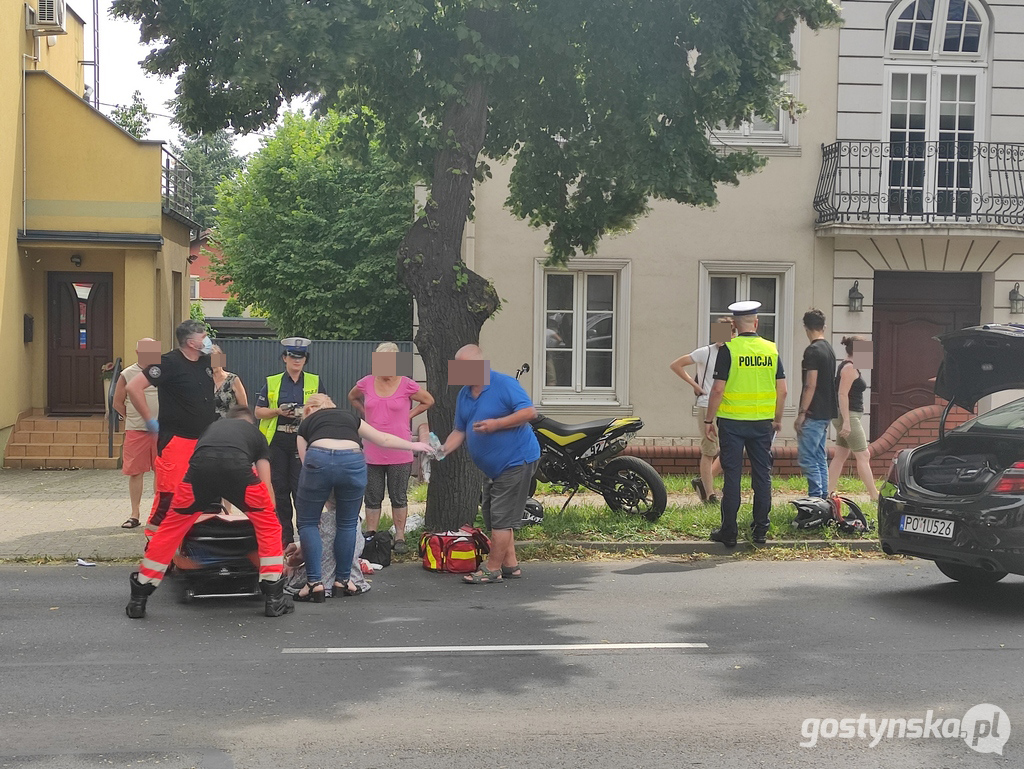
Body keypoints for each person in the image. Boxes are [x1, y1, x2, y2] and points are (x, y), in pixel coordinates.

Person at [125, 405, 292, 619]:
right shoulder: (256, 435)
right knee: (269, 525)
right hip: (239, 472)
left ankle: (139, 598)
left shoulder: (211, 428)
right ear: (250, 423)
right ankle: (274, 599)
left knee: (170, 529)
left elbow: (197, 461)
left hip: (199, 473)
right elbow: (266, 482)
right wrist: (265, 513)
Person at [292, 394, 432, 602]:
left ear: (309, 411)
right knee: (347, 523)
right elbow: (382, 439)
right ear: (333, 407)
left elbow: (307, 464)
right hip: (352, 460)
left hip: (318, 459)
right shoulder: (350, 418)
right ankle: (343, 581)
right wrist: (415, 446)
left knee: (308, 522)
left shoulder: (307, 424)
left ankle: (314, 584)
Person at [439, 344, 541, 584]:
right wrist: (442, 450)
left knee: (502, 517)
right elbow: (459, 429)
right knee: (493, 516)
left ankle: (492, 569)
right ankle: (511, 565)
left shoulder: (504, 384)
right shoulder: (464, 394)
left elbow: (529, 412)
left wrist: (497, 424)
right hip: (493, 467)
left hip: (517, 459)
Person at [704, 301, 787, 547]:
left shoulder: (729, 349)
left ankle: (729, 532)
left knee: (733, 477)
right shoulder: (771, 350)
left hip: (732, 423)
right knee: (762, 475)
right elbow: (782, 391)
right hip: (762, 424)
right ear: (757, 322)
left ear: (735, 326)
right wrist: (778, 419)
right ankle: (760, 530)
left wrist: (709, 420)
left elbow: (718, 389)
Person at [125, 320, 217, 540]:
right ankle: (156, 540)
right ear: (191, 342)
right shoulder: (168, 362)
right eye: (203, 336)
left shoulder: (205, 361)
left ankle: (194, 539)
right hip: (176, 440)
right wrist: (149, 420)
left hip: (204, 439)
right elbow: (133, 387)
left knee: (202, 490)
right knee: (169, 492)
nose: (207, 340)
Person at [348, 341, 435, 554]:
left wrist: (409, 415)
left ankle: (400, 537)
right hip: (372, 449)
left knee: (399, 495)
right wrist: (365, 415)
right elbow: (352, 397)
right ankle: (372, 535)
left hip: (400, 448)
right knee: (372, 495)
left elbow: (428, 401)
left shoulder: (406, 384)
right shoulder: (366, 382)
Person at [253, 337, 326, 547]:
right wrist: (278, 410)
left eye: (301, 357)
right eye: (292, 357)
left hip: (303, 440)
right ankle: (284, 538)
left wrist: (306, 412)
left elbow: (325, 407)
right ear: (284, 358)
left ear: (305, 360)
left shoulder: (314, 381)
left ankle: (306, 536)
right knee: (279, 489)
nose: (296, 361)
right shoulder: (272, 381)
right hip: (277, 442)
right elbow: (258, 411)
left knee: (301, 488)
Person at [669, 317, 735, 505]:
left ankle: (704, 482)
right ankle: (709, 494)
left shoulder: (733, 352)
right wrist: (695, 384)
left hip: (728, 405)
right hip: (707, 403)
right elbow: (676, 365)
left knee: (730, 449)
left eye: (728, 332)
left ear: (733, 333)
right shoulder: (705, 352)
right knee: (709, 450)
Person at [113, 339, 160, 529]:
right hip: (136, 431)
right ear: (137, 352)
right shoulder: (127, 374)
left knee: (161, 472)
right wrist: (131, 419)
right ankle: (134, 514)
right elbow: (117, 402)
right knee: (135, 472)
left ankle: (158, 513)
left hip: (161, 430)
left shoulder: (161, 372)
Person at [828, 336, 879, 503]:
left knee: (841, 454)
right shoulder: (849, 368)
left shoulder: (851, 366)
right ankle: (874, 495)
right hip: (847, 416)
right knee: (864, 455)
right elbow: (842, 394)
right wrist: (847, 422)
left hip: (846, 415)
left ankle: (827, 492)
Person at [795, 309, 838, 499]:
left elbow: (810, 384)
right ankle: (823, 497)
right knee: (820, 456)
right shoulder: (829, 348)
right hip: (827, 411)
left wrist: (802, 412)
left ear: (806, 328)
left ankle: (814, 498)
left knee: (807, 457)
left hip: (813, 412)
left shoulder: (812, 351)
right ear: (824, 326)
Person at [211, 345, 248, 418]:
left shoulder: (233, 379)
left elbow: (243, 408)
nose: (212, 364)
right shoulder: (204, 380)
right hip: (208, 426)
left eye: (214, 360)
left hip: (229, 425)